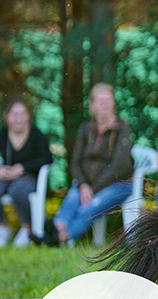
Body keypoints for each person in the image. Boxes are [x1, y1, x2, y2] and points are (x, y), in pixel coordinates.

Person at [51, 83, 133, 245]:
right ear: (92, 104)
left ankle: (60, 238)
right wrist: (83, 185)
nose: (105, 105)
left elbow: (120, 166)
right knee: (72, 199)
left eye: (108, 100)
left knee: (87, 208)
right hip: (86, 185)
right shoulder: (86, 129)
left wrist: (93, 189)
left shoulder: (122, 129)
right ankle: (56, 228)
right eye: (101, 101)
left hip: (118, 184)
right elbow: (75, 162)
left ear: (114, 103)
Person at [0, 98, 53, 247]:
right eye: (14, 114)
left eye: (22, 114)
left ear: (28, 115)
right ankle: (2, 227)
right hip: (6, 176)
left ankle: (27, 227)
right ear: (6, 116)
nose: (19, 118)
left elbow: (47, 158)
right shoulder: (3, 134)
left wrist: (22, 168)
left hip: (29, 176)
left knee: (18, 191)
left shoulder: (36, 134)